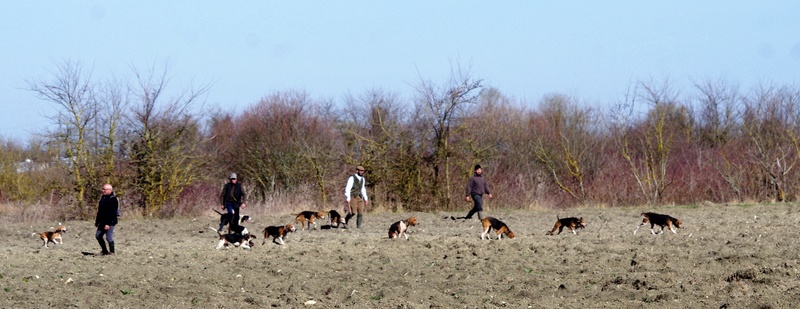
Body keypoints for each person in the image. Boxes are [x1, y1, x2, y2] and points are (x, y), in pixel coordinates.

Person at [95, 183, 119, 255]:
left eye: (104, 189)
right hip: (102, 222)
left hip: (109, 222)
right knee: (98, 236)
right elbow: (100, 211)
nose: (103, 191)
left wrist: (108, 223)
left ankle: (112, 252)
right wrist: (97, 221)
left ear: (109, 190)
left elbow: (112, 213)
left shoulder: (113, 199)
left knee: (108, 238)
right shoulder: (103, 198)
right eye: (102, 189)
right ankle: (104, 251)